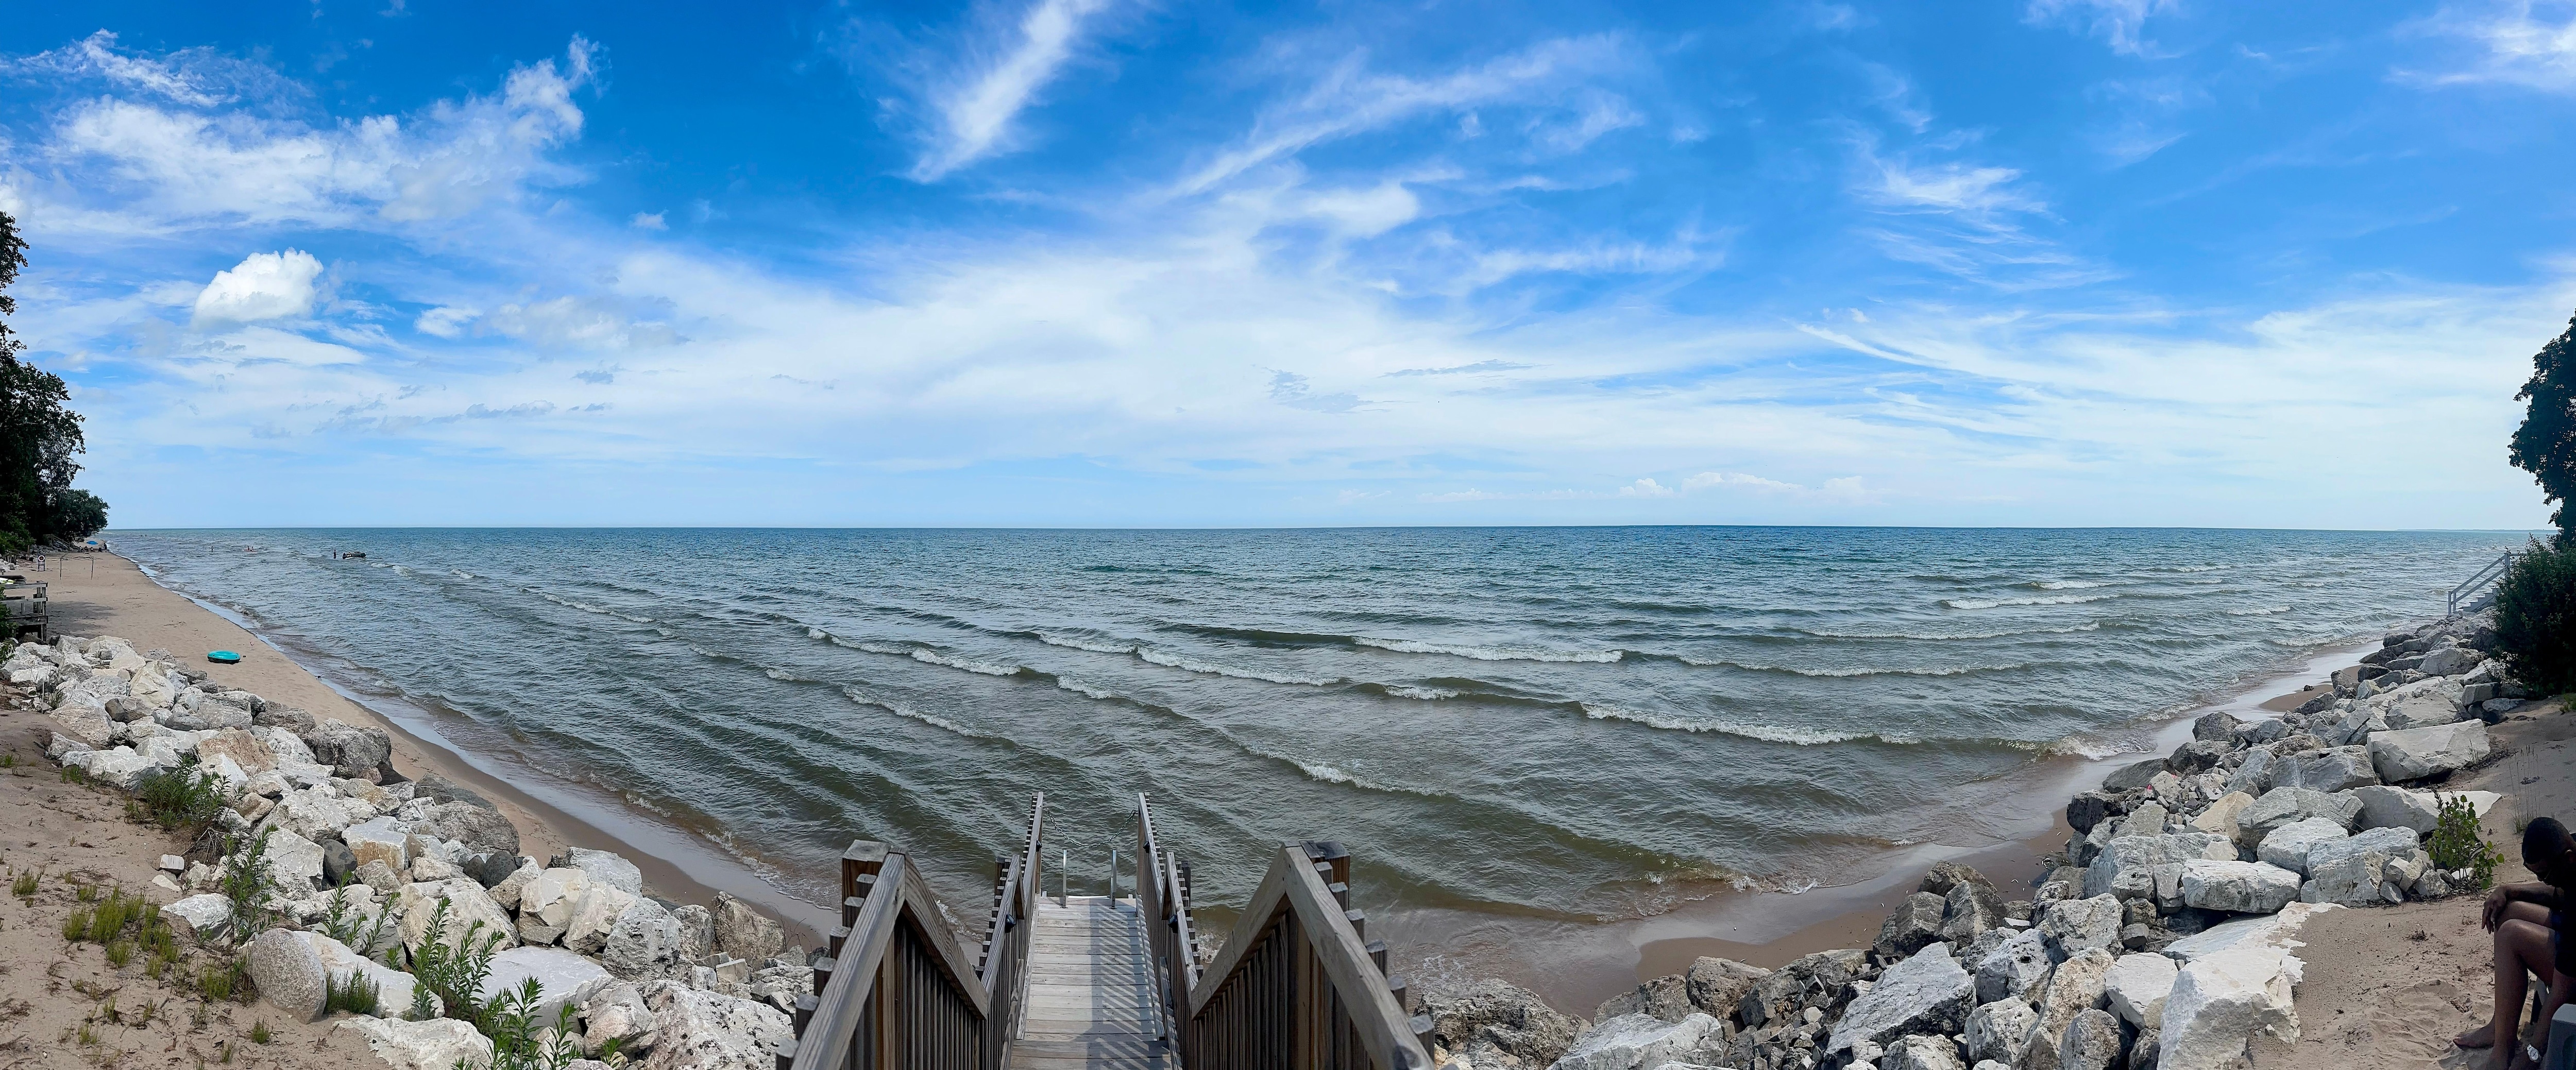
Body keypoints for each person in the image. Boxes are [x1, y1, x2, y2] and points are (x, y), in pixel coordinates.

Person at [2459, 817, 2576, 1070]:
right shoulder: (2572, 854)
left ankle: (2502, 1054)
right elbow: (2558, 894)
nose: (2543, 880)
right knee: (2507, 912)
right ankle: (2499, 1028)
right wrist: (2507, 890)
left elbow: (2561, 991)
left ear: (2567, 858)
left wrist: (2533, 1054)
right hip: (2569, 943)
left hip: (2573, 979)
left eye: (2544, 874)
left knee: (2511, 934)